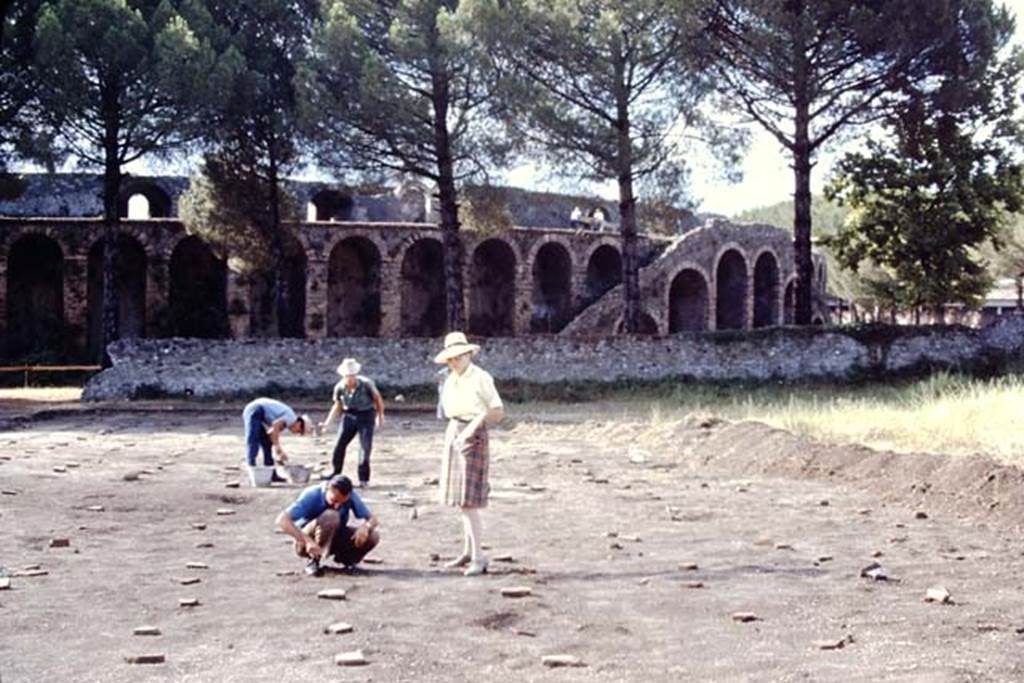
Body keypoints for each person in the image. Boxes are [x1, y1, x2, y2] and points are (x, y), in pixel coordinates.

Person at [434, 331, 504, 577]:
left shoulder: (481, 377)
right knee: (459, 499)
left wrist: (470, 431)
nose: (454, 362)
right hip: (455, 429)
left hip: (473, 433)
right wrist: (456, 432)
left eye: (458, 357)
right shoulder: (450, 378)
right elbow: (450, 410)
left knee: (469, 501)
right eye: (450, 359)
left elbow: (494, 409)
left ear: (468, 354)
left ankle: (478, 557)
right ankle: (466, 552)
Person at [276, 474, 381, 576]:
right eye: (334, 500)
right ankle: (313, 560)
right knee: (331, 515)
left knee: (373, 536)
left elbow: (373, 519)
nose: (337, 505)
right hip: (307, 541)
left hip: (334, 535)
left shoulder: (351, 496)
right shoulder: (313, 494)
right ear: (328, 489)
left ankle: (347, 560)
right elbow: (282, 520)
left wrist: (366, 527)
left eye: (342, 503)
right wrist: (307, 541)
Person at [320, 358, 385, 487]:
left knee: (364, 448)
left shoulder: (366, 384)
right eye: (347, 376)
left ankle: (363, 479)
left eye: (352, 376)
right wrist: (328, 422)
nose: (350, 379)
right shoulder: (339, 387)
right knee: (339, 444)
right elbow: (337, 405)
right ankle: (335, 472)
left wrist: (380, 416)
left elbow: (378, 399)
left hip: (366, 414)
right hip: (349, 414)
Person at [241, 397, 310, 467]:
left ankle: (270, 470)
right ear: (299, 423)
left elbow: (271, 433)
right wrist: (277, 447)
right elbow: (275, 425)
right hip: (256, 409)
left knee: (267, 443)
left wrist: (279, 453)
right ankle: (251, 465)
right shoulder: (291, 418)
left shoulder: (287, 422)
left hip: (260, 414)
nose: (296, 433)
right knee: (253, 438)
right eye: (299, 431)